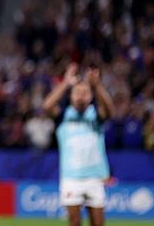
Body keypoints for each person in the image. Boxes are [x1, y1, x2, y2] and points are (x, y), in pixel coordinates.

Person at [42, 63, 114, 226]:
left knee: (98, 223)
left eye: (85, 92)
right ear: (71, 96)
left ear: (90, 96)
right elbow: (46, 106)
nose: (81, 95)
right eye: (77, 92)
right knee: (74, 222)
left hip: (96, 177)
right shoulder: (63, 116)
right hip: (71, 177)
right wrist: (66, 83)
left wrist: (97, 86)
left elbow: (110, 110)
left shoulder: (95, 115)